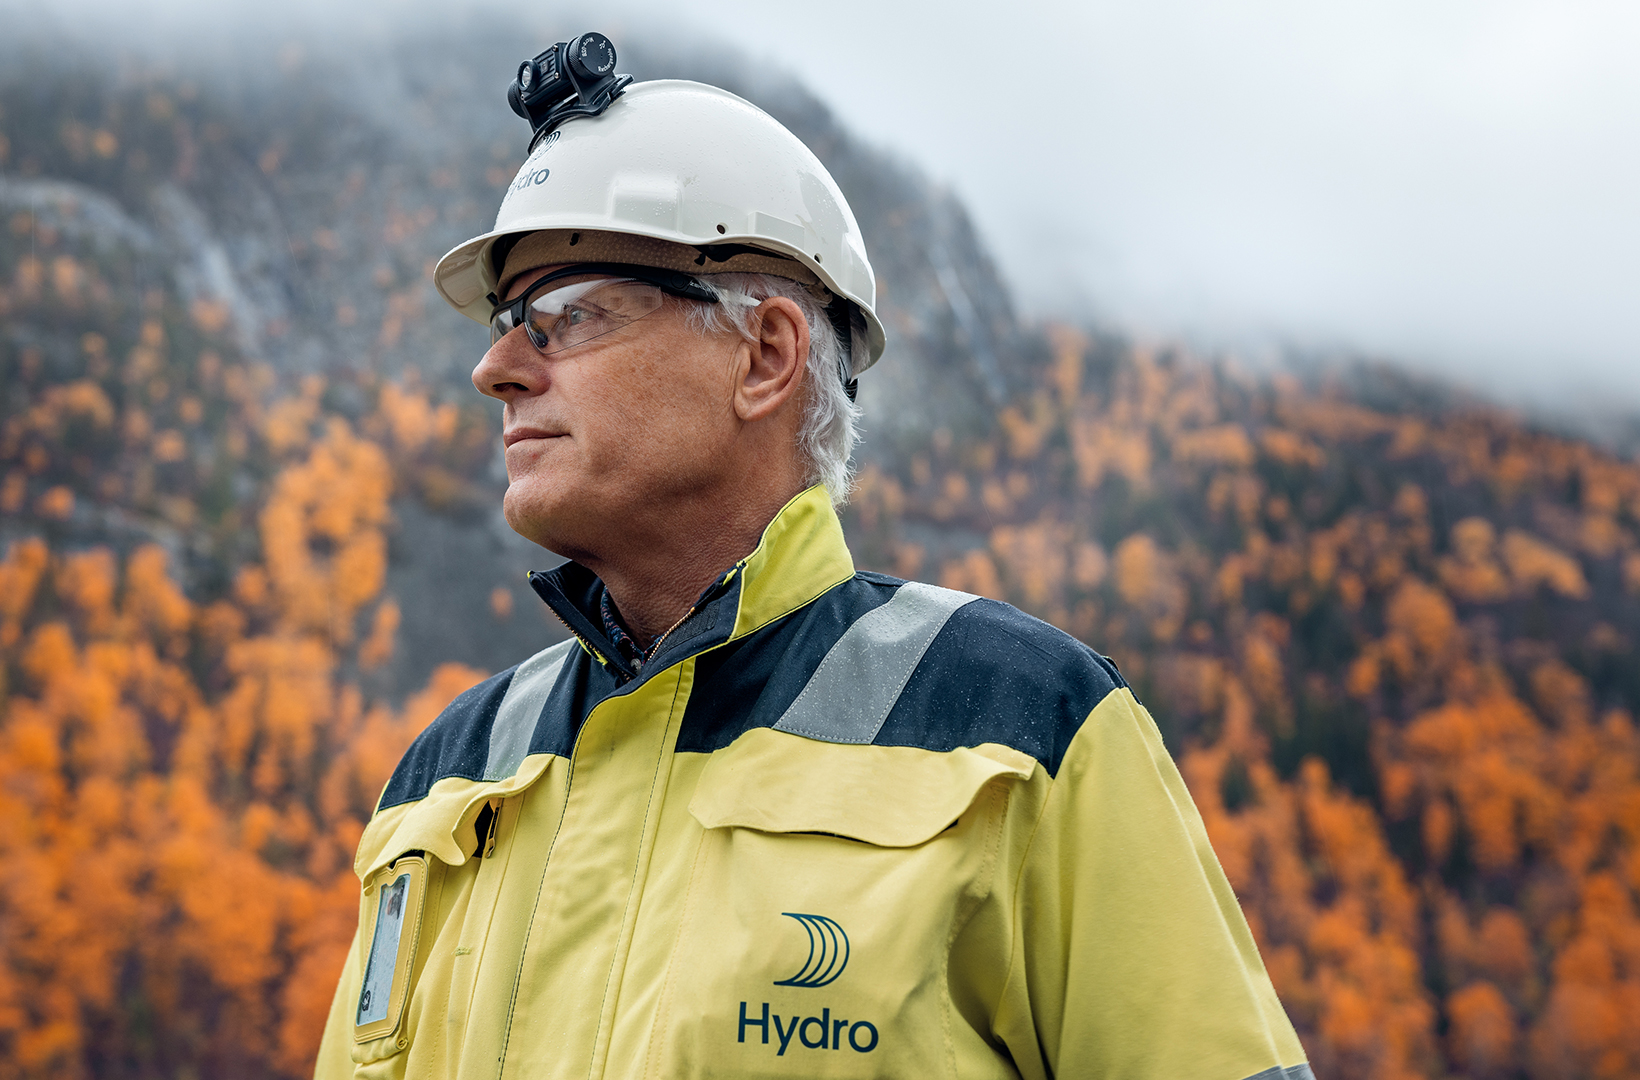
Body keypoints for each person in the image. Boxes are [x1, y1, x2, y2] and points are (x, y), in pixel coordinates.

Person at [316, 34, 1311, 1080]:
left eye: (565, 315)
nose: (495, 369)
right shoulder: (443, 780)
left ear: (766, 356)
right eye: (507, 323)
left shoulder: (1031, 732)